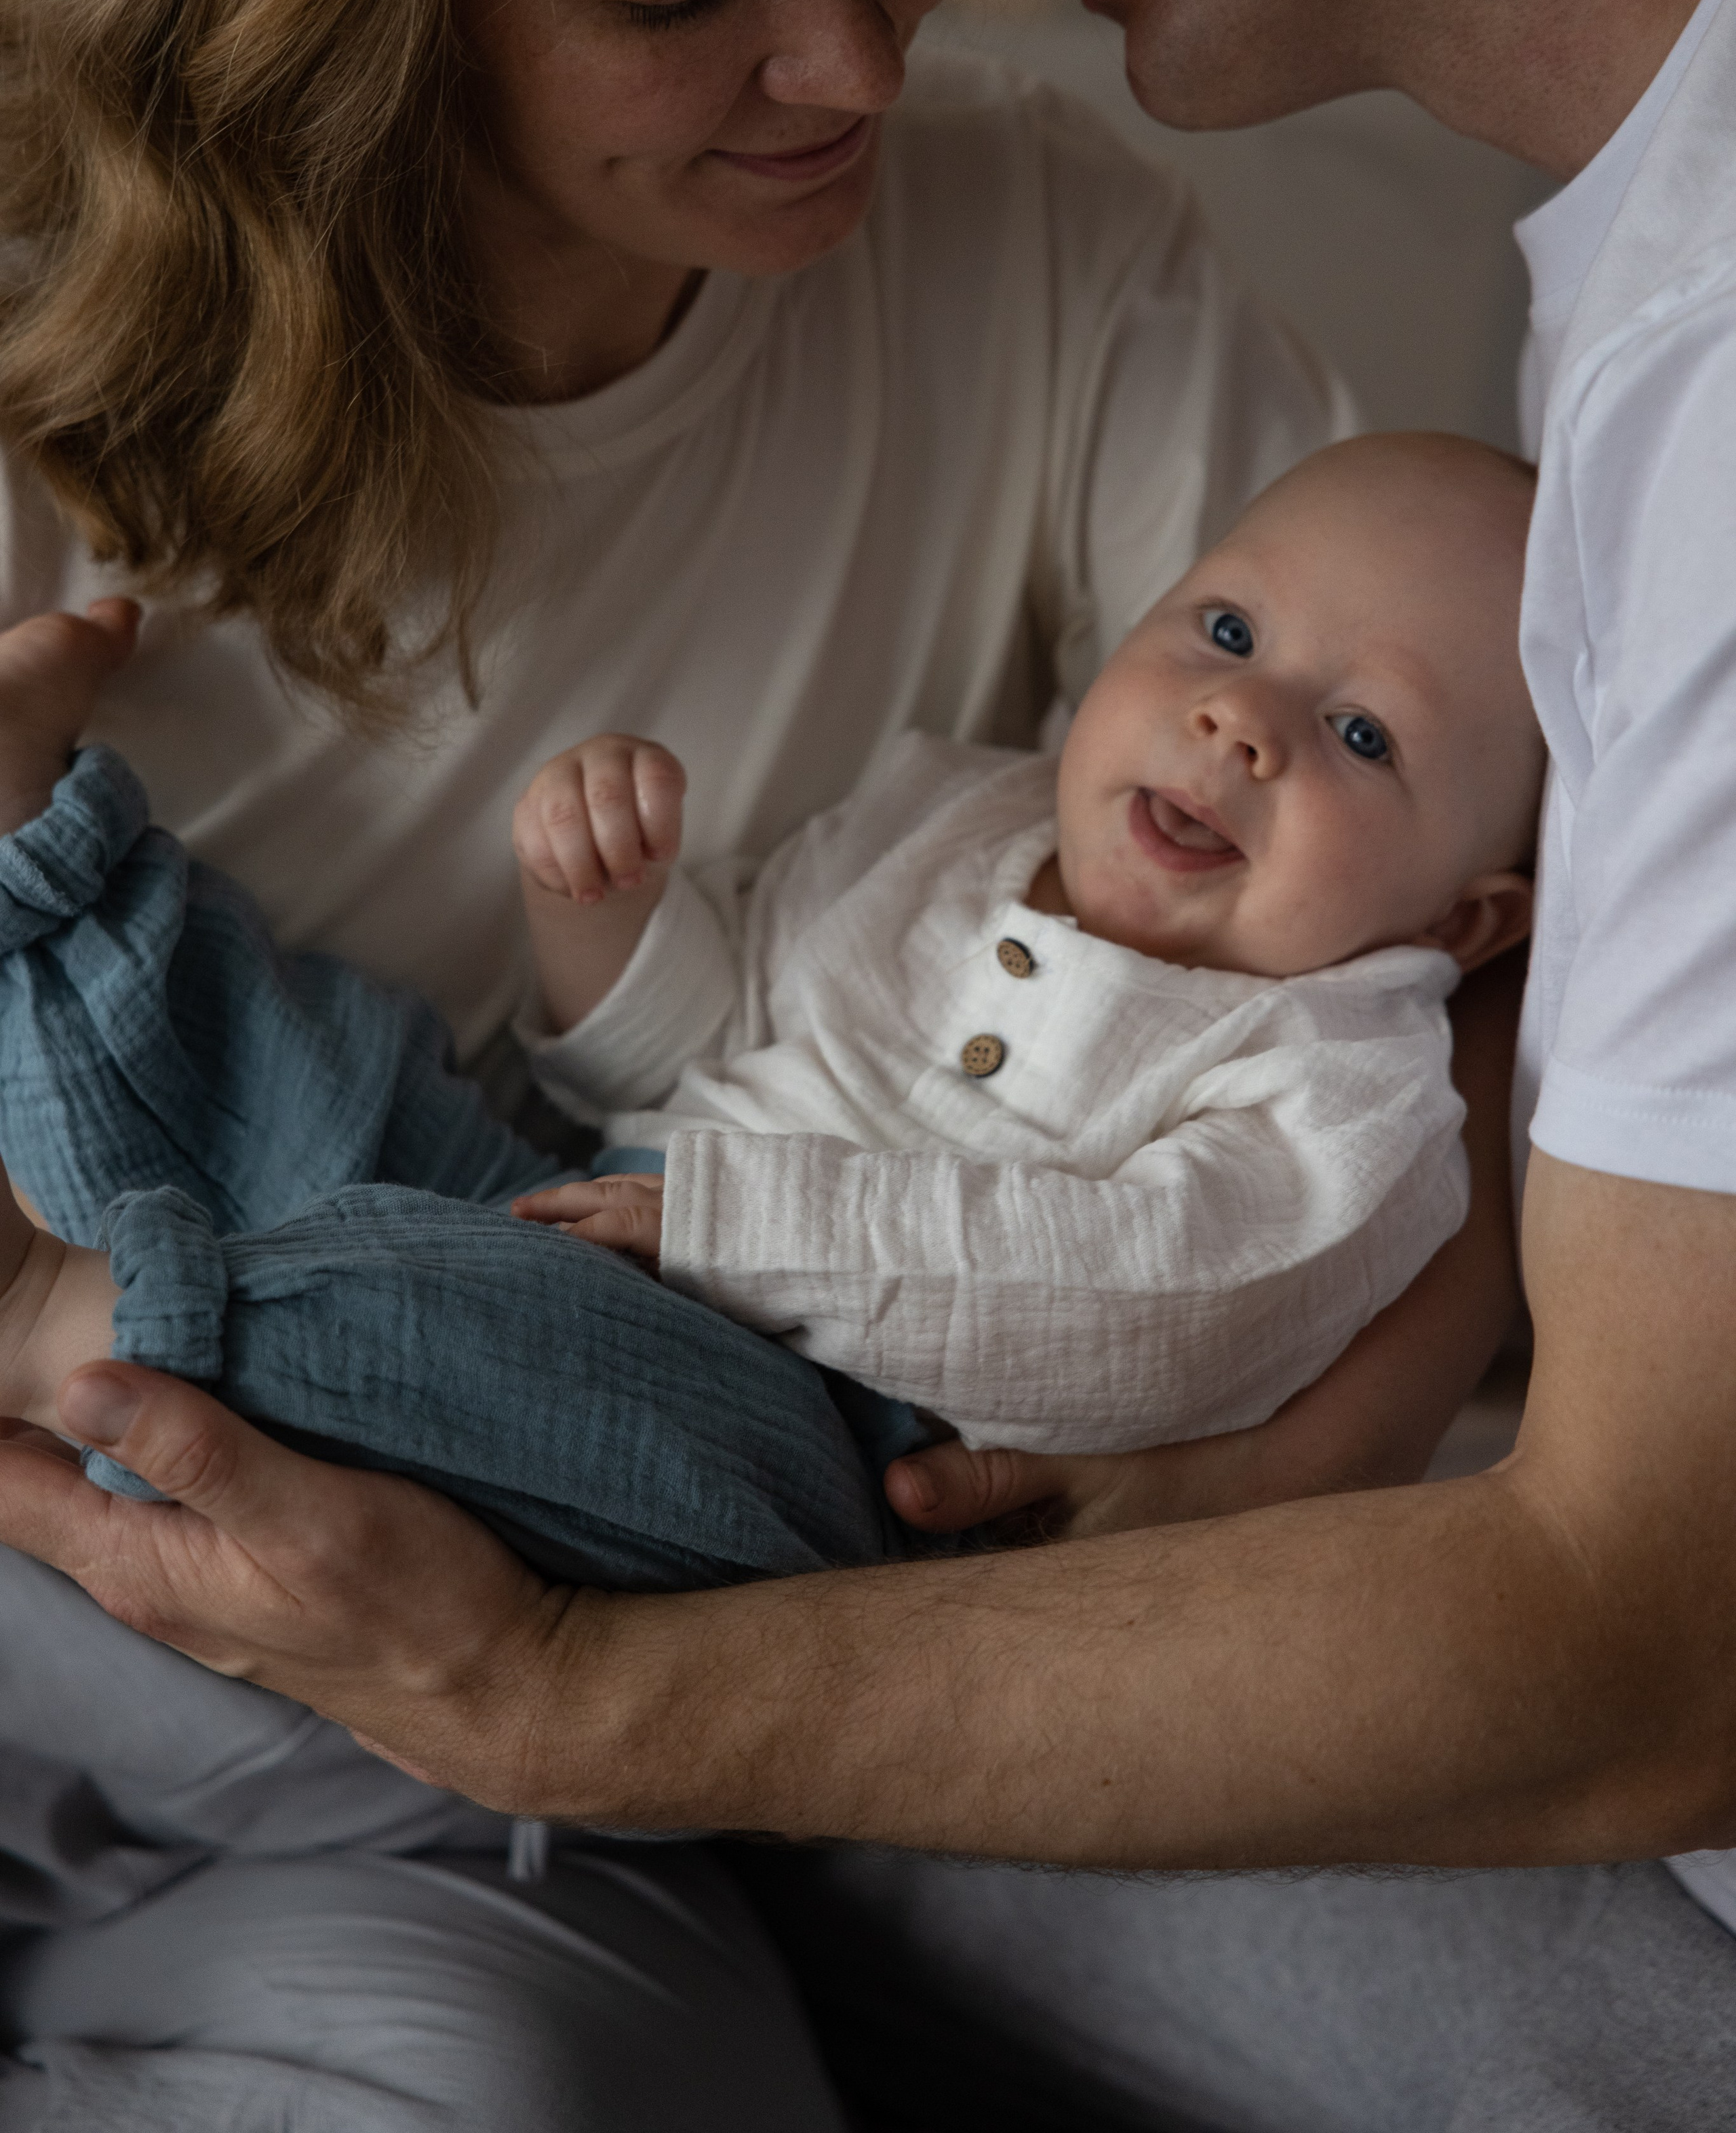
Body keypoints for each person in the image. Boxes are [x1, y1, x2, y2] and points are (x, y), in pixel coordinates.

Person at [8, 0, 1736, 2126]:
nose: (857, 62)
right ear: (346, 27)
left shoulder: (1042, 264)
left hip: (732, 1524)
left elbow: (1484, 926)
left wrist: (1284, 1467)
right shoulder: (49, 403)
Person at [0, 436, 1539, 1582]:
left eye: (1356, 731)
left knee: (407, 1324)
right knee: (314, 1073)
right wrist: (599, 911)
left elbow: (1143, 1309)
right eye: (1221, 631)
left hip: (808, 1446)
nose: (1237, 720)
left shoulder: (1350, 1093)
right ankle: (47, 865)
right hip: (577, 1200)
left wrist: (730, 1226)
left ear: (1463, 917)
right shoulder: (957, 811)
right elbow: (692, 1039)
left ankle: (57, 1321)